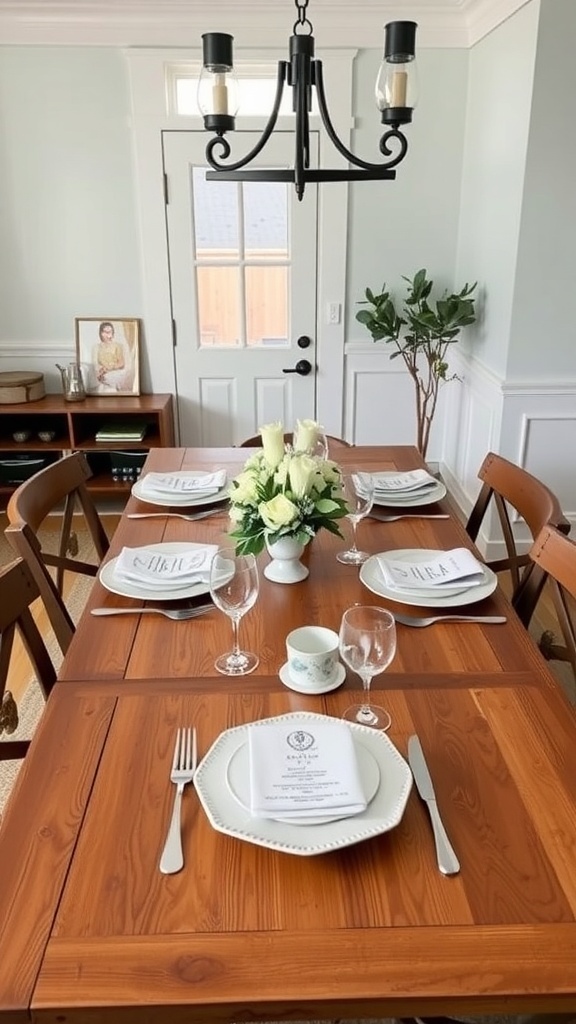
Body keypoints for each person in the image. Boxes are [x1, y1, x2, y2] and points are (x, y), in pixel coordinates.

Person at [91, 321, 134, 393]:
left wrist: (109, 368)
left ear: (112, 333)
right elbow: (95, 363)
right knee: (99, 381)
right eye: (105, 332)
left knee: (109, 379)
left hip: (114, 372)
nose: (108, 335)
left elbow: (121, 363)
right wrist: (101, 369)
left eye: (110, 332)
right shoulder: (96, 347)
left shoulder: (118, 345)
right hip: (101, 372)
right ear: (101, 333)